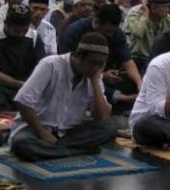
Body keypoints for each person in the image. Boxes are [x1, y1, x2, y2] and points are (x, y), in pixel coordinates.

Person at [9, 33, 118, 161]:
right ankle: (77, 151)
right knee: (22, 144)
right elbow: (23, 101)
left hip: (69, 132)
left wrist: (94, 80)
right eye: (93, 63)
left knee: (110, 128)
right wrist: (43, 133)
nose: (96, 68)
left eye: (101, 65)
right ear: (79, 56)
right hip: (37, 129)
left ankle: (57, 150)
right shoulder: (50, 65)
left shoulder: (95, 73)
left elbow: (102, 117)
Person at [60, 4, 141, 105]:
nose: (110, 35)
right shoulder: (74, 32)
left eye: (113, 32)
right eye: (107, 31)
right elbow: (70, 67)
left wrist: (140, 85)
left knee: (133, 79)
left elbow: (128, 61)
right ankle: (123, 98)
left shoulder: (115, 33)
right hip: (78, 75)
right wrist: (102, 75)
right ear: (96, 22)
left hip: (103, 73)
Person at [0, 5, 46, 109]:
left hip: (27, 81)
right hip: (2, 82)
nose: (21, 34)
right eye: (17, 31)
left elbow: (41, 66)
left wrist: (30, 83)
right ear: (6, 24)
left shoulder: (35, 36)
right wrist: (18, 84)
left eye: (24, 31)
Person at [125, 0, 170, 73]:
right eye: (164, 7)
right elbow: (137, 33)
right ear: (153, 7)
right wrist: (145, 15)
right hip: (139, 59)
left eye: (168, 7)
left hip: (160, 60)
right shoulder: (136, 14)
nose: (167, 10)